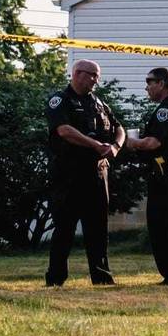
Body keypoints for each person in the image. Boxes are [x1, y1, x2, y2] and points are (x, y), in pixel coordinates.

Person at [44, 58, 125, 286]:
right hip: (69, 173)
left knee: (98, 227)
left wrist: (116, 147)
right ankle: (56, 278)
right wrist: (94, 145)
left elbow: (119, 127)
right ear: (77, 73)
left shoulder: (98, 103)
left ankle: (101, 276)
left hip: (98, 174)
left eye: (97, 76)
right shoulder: (60, 100)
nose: (96, 81)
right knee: (65, 227)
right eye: (92, 75)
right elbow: (64, 130)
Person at [125, 67, 168, 285]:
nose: (147, 87)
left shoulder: (165, 110)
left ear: (162, 83)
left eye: (150, 82)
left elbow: (153, 142)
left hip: (164, 174)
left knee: (162, 225)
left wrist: (130, 142)